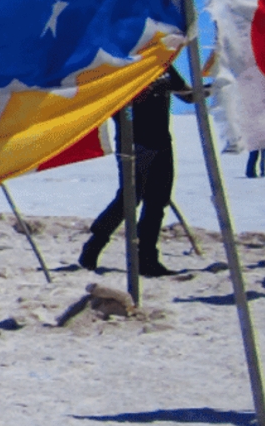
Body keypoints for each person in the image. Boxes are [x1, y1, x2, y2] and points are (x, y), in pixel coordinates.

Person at [77, 66, 199, 278]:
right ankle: (95, 244)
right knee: (129, 198)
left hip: (161, 142)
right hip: (133, 142)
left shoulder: (163, 64)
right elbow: (112, 103)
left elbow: (188, 96)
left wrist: (218, 88)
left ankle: (147, 259)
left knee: (157, 201)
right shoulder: (124, 64)